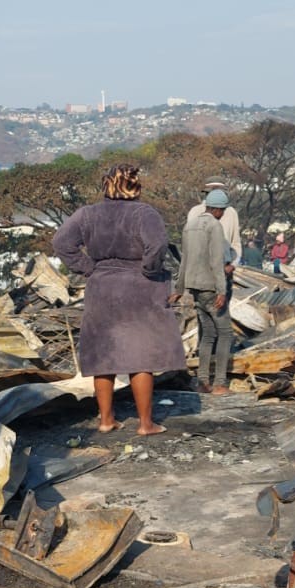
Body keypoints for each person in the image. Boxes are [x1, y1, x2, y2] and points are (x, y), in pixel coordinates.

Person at [51, 163, 184, 436]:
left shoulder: (86, 214)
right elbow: (157, 245)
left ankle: (106, 420)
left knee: (104, 355)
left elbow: (61, 242)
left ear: (106, 184)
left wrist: (88, 268)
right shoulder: (144, 213)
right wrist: (149, 269)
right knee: (141, 355)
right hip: (138, 288)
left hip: (101, 288)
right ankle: (146, 424)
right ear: (134, 185)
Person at [179, 189, 233, 395]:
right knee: (225, 334)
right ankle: (219, 383)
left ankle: (202, 381)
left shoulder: (189, 225)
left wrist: (179, 288)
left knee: (208, 334)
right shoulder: (214, 226)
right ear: (219, 210)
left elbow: (184, 260)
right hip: (211, 287)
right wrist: (222, 290)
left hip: (194, 288)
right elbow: (216, 261)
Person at [187, 178, 241, 264]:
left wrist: (233, 265)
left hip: (223, 265)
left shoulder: (231, 212)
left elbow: (235, 243)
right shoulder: (195, 211)